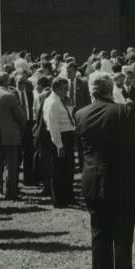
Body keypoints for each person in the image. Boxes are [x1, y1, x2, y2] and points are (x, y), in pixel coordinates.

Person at [76, 71, 135, 269]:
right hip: (122, 182)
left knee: (99, 237)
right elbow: (134, 149)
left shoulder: (80, 114)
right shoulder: (123, 112)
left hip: (93, 180)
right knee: (122, 238)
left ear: (92, 90)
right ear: (111, 89)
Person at [0, 72, 27, 201]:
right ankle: (10, 192)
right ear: (7, 81)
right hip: (10, 135)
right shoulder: (10, 96)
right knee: (11, 166)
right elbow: (20, 115)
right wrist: (22, 126)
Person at [43, 77, 77, 207]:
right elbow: (53, 126)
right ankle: (59, 199)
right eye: (64, 89)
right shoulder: (52, 102)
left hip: (67, 135)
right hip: (60, 137)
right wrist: (59, 145)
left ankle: (68, 196)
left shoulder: (61, 100)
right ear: (56, 88)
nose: (66, 91)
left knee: (68, 169)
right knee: (58, 170)